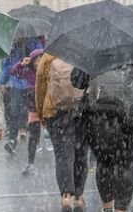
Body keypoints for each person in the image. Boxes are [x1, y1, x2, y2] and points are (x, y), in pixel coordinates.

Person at [71, 63, 133, 212]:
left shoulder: (94, 50)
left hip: (98, 118)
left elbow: (77, 80)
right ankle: (121, 207)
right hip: (132, 118)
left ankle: (107, 205)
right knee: (126, 165)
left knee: (104, 163)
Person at [36, 53, 89, 211]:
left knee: (62, 154)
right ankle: (79, 196)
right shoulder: (84, 54)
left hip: (55, 111)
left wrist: (41, 113)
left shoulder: (48, 56)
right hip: (81, 110)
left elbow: (40, 87)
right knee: (80, 153)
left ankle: (66, 196)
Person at [0, 37, 43, 154]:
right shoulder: (12, 47)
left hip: (32, 85)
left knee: (33, 113)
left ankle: (35, 140)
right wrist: (2, 81)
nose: (16, 38)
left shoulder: (34, 43)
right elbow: (7, 65)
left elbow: (41, 60)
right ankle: (12, 140)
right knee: (14, 111)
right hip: (17, 84)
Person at [10, 48, 44, 175]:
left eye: (41, 60)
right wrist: (21, 63)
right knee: (33, 137)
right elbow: (13, 72)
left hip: (47, 108)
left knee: (52, 135)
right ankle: (31, 163)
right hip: (34, 108)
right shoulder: (29, 73)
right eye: (36, 61)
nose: (39, 63)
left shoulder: (48, 72)